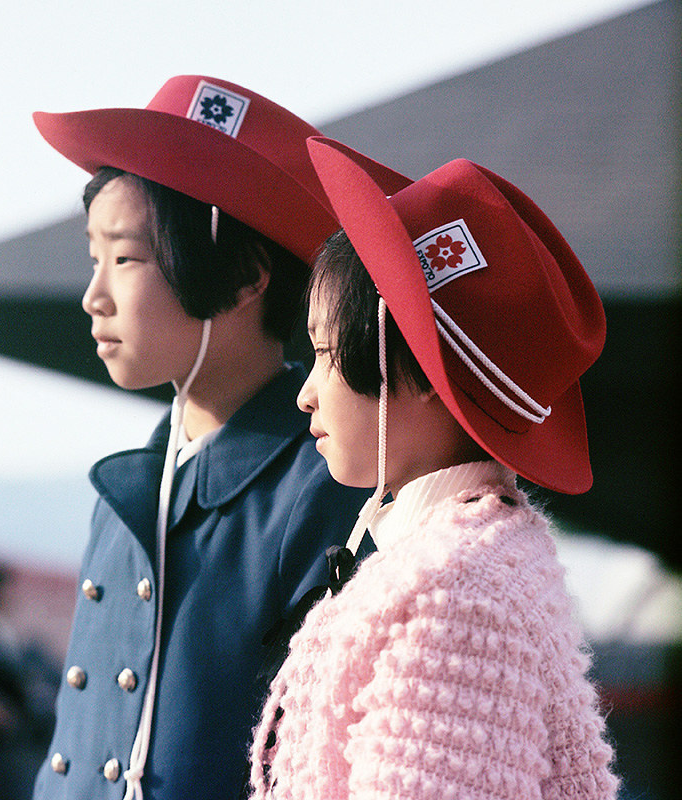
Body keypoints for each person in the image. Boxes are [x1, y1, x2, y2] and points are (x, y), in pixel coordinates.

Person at [31, 77, 409, 800]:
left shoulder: (326, 484)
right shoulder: (132, 483)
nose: (94, 296)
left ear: (242, 279)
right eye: (93, 258)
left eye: (126, 258)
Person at [249, 137, 621, 799]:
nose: (305, 392)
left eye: (327, 353)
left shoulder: (452, 593)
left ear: (419, 369)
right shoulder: (474, 559)